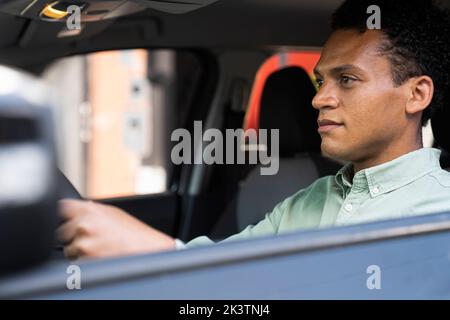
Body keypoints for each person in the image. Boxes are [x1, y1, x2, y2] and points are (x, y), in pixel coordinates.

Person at [57, 0, 450, 260]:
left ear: (416, 94)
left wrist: (150, 252)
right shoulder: (307, 201)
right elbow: (232, 275)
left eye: (347, 79)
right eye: (321, 81)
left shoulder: (440, 213)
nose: (319, 99)